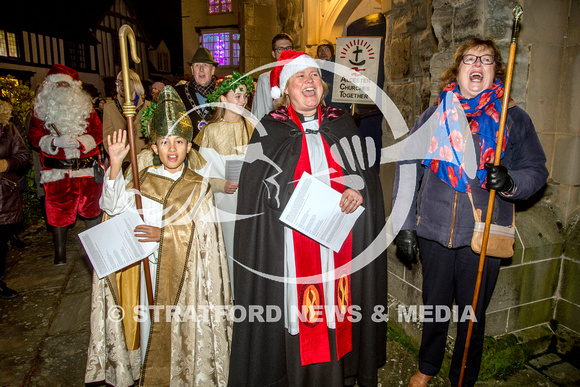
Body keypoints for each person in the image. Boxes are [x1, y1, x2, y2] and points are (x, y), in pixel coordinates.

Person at [393, 38, 549, 387]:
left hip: (482, 234)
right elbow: (408, 168)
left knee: (472, 315)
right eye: (469, 59)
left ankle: (463, 376)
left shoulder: (513, 118)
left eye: (487, 59)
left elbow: (537, 170)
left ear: (496, 71)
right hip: (433, 230)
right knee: (434, 308)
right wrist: (405, 225)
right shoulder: (435, 115)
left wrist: (510, 181)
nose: (477, 64)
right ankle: (427, 366)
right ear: (458, 68)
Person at [229, 51, 387, 386]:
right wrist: (283, 196)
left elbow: (365, 178)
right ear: (285, 89)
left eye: (315, 75)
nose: (309, 82)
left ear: (323, 86)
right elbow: (256, 190)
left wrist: (357, 189)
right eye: (300, 77)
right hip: (289, 241)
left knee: (338, 303)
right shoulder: (271, 130)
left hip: (339, 242)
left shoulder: (343, 125)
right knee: (299, 308)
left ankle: (340, 370)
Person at [85, 85, 232, 386]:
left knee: (181, 331)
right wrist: (115, 164)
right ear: (153, 148)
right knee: (150, 326)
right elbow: (112, 207)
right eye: (164, 142)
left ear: (189, 146)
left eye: (179, 141)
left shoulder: (197, 186)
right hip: (146, 271)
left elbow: (206, 238)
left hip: (185, 279)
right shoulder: (143, 181)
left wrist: (163, 235)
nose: (173, 149)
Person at [28, 64, 104, 265]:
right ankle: (59, 252)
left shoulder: (87, 109)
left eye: (65, 83)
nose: (62, 87)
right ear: (50, 87)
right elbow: (34, 136)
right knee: (57, 213)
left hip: (86, 169)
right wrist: (53, 142)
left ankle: (95, 249)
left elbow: (97, 133)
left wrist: (81, 142)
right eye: (57, 83)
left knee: (92, 209)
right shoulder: (41, 112)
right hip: (57, 172)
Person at [194, 71, 255, 296]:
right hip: (225, 201)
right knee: (230, 247)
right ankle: (231, 294)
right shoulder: (211, 131)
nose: (242, 101)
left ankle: (249, 290)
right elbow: (200, 173)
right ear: (223, 99)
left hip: (251, 198)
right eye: (237, 96)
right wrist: (220, 184)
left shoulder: (252, 125)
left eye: (245, 96)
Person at [0, 98, 29, 299]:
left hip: (2, 196)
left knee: (0, 243)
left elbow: (23, 156)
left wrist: (6, 164)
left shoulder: (7, 128)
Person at [102, 69, 150, 168]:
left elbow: (154, 136)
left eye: (124, 81)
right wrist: (117, 156)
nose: (121, 85)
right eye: (118, 82)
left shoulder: (149, 106)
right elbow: (107, 138)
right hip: (121, 162)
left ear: (135, 82)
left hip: (145, 161)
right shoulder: (110, 107)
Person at [174, 47, 219, 138]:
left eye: (205, 65)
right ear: (192, 70)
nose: (201, 69)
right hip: (188, 150)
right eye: (197, 65)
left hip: (215, 150)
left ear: (213, 70)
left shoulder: (223, 95)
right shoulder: (179, 93)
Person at [250, 33, 294, 121]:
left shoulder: (302, 76)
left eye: (288, 48)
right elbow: (259, 111)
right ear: (273, 54)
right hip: (273, 127)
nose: (285, 52)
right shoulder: (265, 79)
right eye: (280, 49)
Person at [316, 39, 350, 112]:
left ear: (332, 52)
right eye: (320, 50)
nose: (323, 52)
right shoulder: (314, 68)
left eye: (327, 50)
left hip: (337, 109)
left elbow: (349, 87)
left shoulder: (340, 67)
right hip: (320, 109)